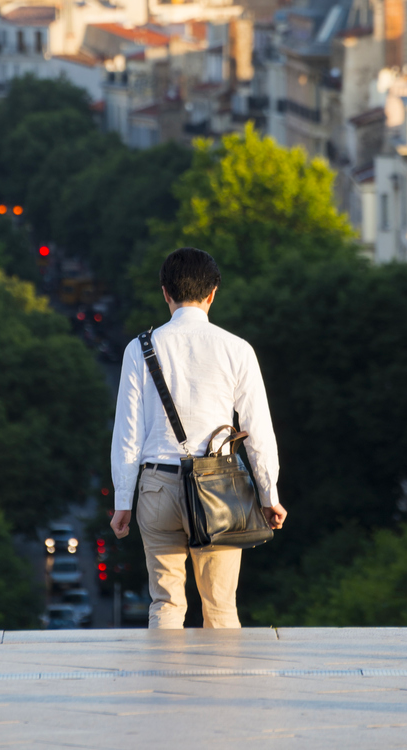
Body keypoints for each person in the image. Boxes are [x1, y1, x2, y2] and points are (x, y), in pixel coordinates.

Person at [110, 246, 286, 629]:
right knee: (221, 608)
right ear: (212, 293)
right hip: (218, 488)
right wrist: (269, 495)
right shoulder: (237, 349)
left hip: (157, 487)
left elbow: (127, 432)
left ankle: (166, 686)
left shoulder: (139, 350)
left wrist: (123, 500)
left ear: (165, 293)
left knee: (166, 605)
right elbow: (259, 430)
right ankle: (218, 687)